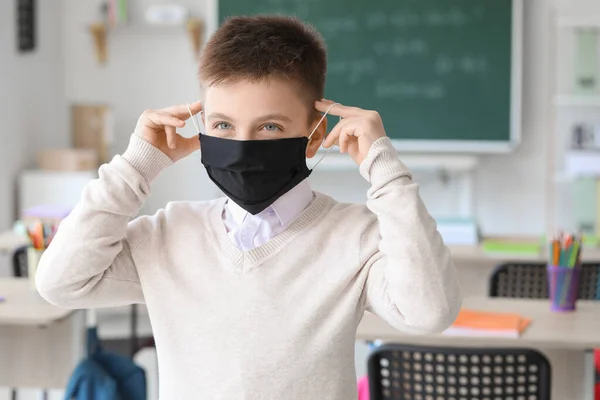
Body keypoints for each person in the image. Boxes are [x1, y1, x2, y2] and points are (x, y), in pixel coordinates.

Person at [36, 15, 462, 400]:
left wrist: (384, 170)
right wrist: (135, 167)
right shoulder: (167, 235)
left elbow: (429, 312)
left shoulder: (357, 238)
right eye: (222, 125)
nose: (243, 146)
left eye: (270, 127)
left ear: (314, 136)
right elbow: (60, 283)